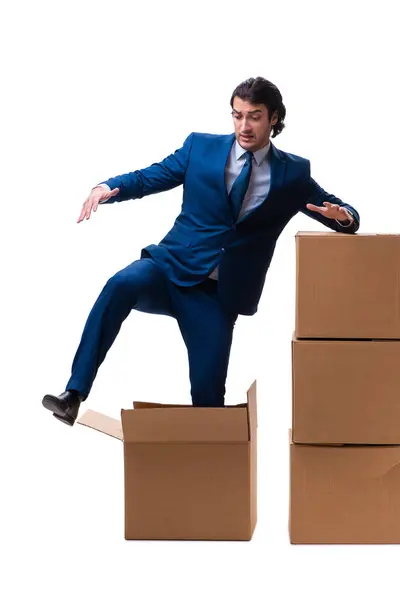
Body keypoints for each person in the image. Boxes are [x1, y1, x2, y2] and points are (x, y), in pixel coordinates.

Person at [42, 76, 360, 426]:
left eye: (254, 116)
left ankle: (208, 472)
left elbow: (342, 214)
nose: (244, 125)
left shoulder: (293, 173)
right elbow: (152, 176)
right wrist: (108, 187)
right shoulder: (201, 148)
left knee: (209, 402)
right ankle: (74, 393)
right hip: (169, 268)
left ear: (274, 118)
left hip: (217, 296)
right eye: (237, 115)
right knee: (120, 283)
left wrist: (343, 216)